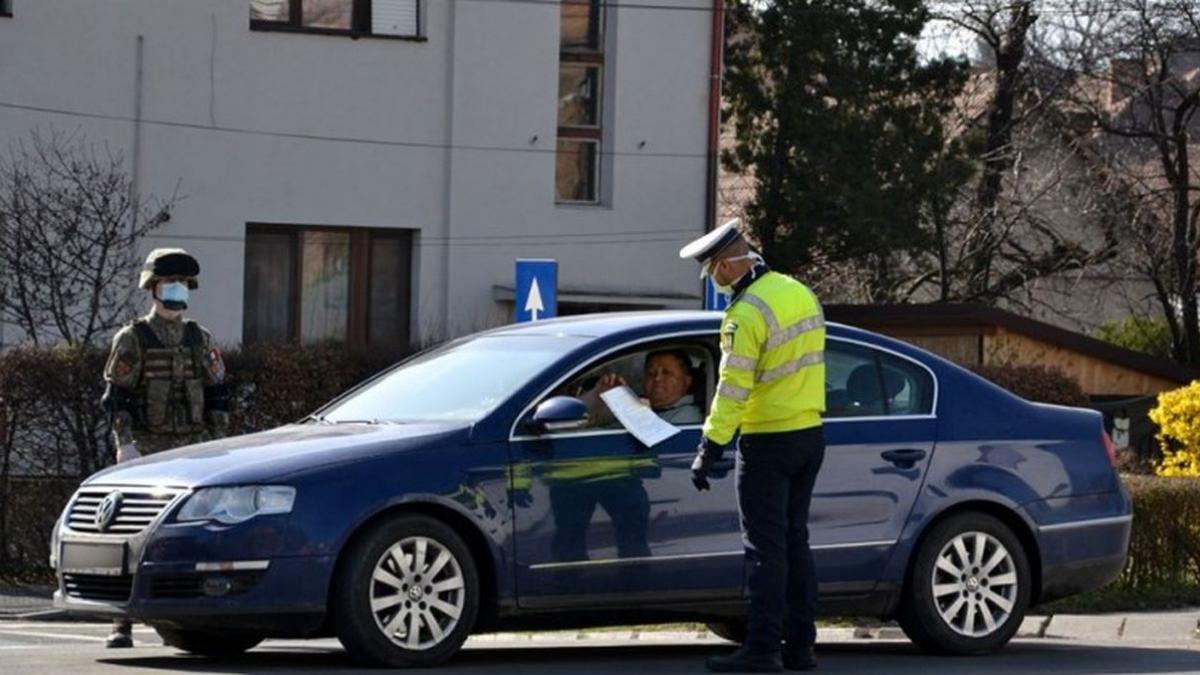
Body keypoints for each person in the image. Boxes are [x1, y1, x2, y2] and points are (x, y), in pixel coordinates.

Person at [682, 220, 826, 673]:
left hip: (767, 441)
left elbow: (732, 387)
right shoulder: (798, 292)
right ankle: (801, 647)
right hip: (809, 434)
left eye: (712, 273)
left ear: (726, 266)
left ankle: (762, 649)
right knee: (795, 541)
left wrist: (710, 445)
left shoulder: (744, 315)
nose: (714, 282)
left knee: (765, 549)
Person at [99, 248, 230, 648]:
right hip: (149, 451)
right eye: (168, 284)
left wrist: (223, 446)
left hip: (194, 450)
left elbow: (218, 394)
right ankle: (121, 621)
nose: (176, 292)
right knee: (134, 533)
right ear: (153, 289)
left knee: (197, 537)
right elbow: (116, 398)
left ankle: (194, 618)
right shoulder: (134, 338)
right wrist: (126, 445)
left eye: (182, 285)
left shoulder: (199, 338)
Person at [577, 349, 704, 427]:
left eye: (666, 372)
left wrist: (643, 419)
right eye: (651, 373)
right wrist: (599, 396)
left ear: (687, 381)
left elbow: (661, 451)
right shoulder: (638, 403)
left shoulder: (688, 416)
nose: (657, 378)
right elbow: (584, 422)